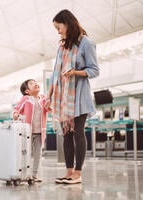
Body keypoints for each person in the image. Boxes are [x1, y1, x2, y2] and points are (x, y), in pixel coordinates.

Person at [45, 9, 99, 184]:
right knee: (66, 134)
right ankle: (68, 172)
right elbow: (55, 73)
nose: (58, 31)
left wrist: (75, 72)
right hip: (63, 99)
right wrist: (49, 95)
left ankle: (78, 173)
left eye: (58, 27)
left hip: (79, 97)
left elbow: (94, 70)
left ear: (67, 23)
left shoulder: (86, 43)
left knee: (78, 133)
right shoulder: (62, 47)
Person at [13, 79, 50, 182]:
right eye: (31, 83)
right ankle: (21, 173)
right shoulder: (26, 99)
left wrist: (50, 105)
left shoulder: (43, 98)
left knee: (38, 154)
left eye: (35, 82)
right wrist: (15, 113)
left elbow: (49, 108)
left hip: (39, 132)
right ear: (27, 91)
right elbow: (17, 108)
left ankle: (34, 175)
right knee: (25, 153)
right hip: (27, 132)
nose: (35, 84)